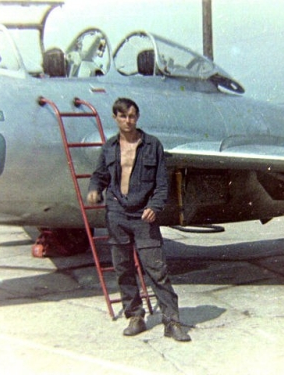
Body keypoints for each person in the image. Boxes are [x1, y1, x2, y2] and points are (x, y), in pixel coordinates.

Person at [87, 97, 191, 342]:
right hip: (116, 214)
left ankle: (172, 321)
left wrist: (155, 206)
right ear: (115, 118)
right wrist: (94, 189)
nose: (128, 120)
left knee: (157, 270)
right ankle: (135, 316)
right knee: (123, 269)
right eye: (122, 116)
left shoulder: (152, 145)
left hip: (143, 215)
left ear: (137, 117)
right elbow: (99, 175)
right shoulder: (109, 147)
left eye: (132, 115)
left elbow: (162, 184)